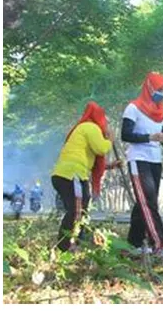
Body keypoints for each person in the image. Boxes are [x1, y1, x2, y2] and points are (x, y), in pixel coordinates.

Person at [122, 72, 163, 257]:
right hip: (139, 159)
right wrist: (149, 137)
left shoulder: (161, 112)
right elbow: (125, 135)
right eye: (159, 90)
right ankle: (159, 245)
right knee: (148, 201)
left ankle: (134, 243)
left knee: (144, 202)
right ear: (149, 88)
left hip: (156, 159)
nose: (162, 94)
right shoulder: (133, 108)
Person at [49, 101, 113, 251]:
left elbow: (88, 159)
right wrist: (110, 140)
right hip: (72, 175)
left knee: (81, 208)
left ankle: (76, 241)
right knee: (76, 211)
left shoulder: (84, 128)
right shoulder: (91, 127)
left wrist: (111, 165)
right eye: (105, 121)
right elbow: (101, 148)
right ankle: (67, 245)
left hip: (69, 174)